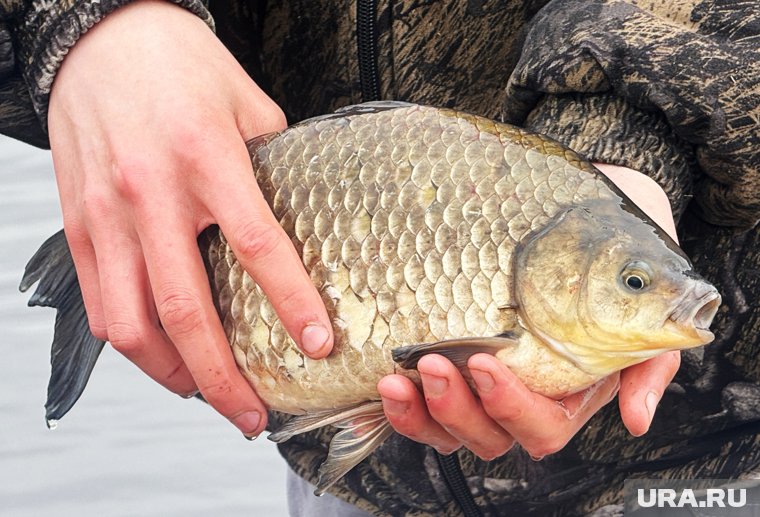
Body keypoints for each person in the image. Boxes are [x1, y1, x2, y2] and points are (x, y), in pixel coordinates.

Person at [1, 0, 758, 515]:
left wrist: (626, 141)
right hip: (351, 487)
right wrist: (90, 21)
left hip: (711, 466)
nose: (654, 295)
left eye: (632, 281)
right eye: (633, 281)